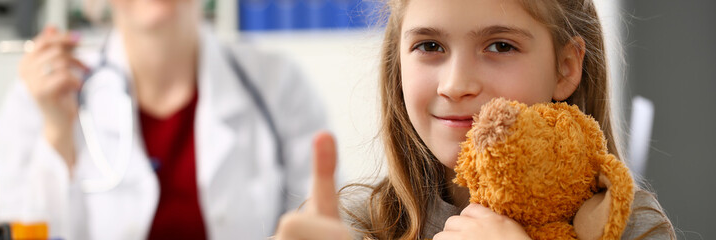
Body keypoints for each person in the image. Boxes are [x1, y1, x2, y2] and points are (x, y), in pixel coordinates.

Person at [274, 0, 676, 239]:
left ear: (565, 68)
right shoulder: (355, 225)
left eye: (500, 46)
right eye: (429, 45)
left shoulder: (628, 228)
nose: (456, 84)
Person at [0, 0, 327, 239]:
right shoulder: (42, 97)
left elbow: (323, 223)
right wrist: (56, 135)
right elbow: (21, 229)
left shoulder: (278, 85)